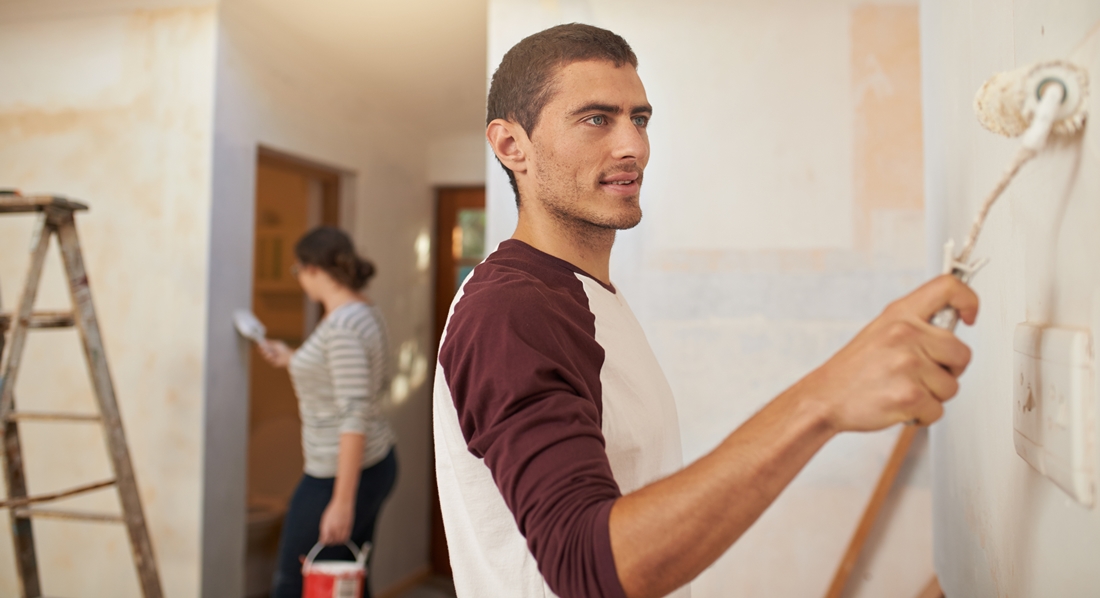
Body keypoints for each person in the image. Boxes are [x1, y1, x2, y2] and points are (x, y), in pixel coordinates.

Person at [433, 23, 979, 598]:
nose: (633, 147)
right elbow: (586, 568)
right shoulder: (510, 311)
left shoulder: (584, 296)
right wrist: (824, 400)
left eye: (638, 119)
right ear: (510, 145)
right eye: (596, 119)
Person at [261, 226, 397, 598]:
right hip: (373, 464)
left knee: (295, 582)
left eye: (298, 271)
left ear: (314, 270)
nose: (300, 280)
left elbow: (354, 413)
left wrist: (341, 502)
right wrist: (293, 358)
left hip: (340, 472)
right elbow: (362, 381)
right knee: (346, 582)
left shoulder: (341, 326)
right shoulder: (363, 311)